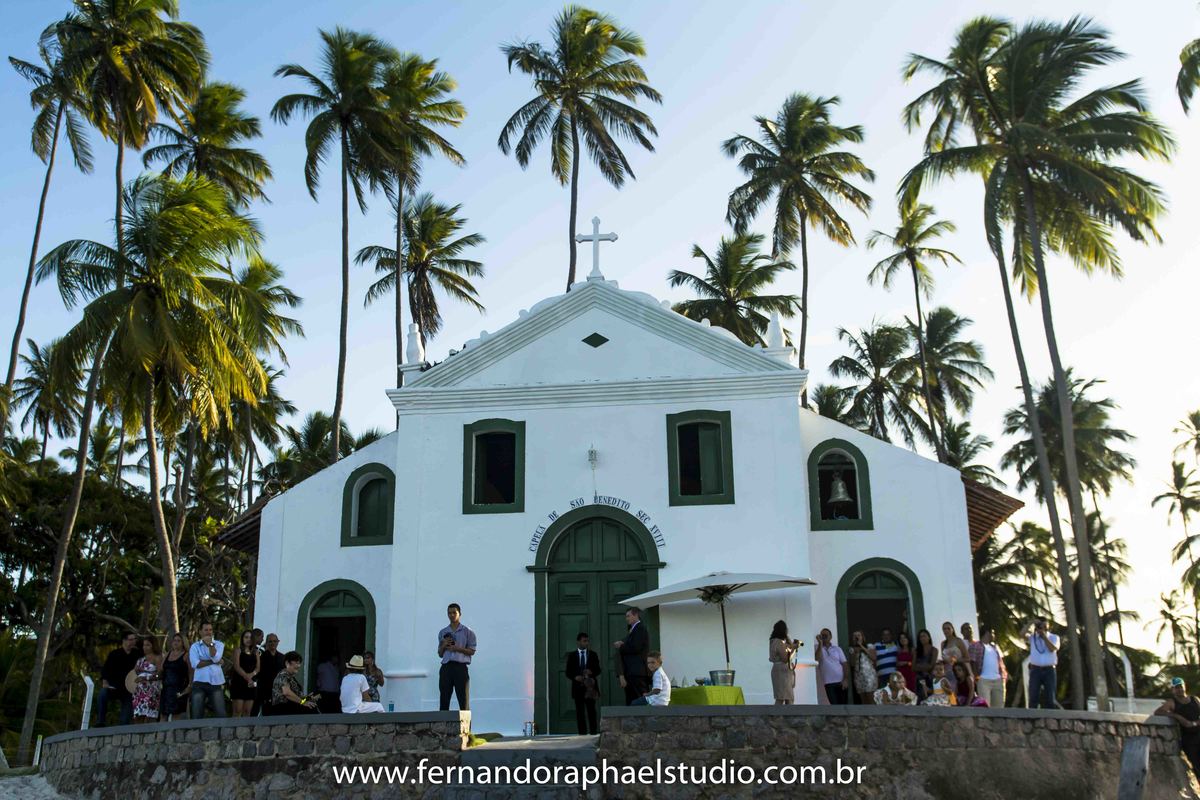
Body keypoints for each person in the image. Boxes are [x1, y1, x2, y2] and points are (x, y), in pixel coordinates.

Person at [1155, 677, 1200, 780]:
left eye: (1181, 686)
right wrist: (1177, 716)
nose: (1179, 689)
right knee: (1197, 767)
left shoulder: (1195, 699)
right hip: (1189, 740)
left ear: (1184, 686)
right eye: (1177, 687)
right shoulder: (1172, 702)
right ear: (1173, 689)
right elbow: (1158, 712)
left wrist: (1193, 723)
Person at [438, 602, 477, 711]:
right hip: (446, 667)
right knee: (444, 698)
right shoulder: (443, 632)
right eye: (449, 613)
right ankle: (442, 726)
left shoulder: (468, 632)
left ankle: (466, 727)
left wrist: (457, 649)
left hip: (460, 667)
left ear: (459, 614)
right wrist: (444, 646)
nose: (451, 615)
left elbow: (472, 651)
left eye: (454, 613)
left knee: (463, 699)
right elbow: (440, 654)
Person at [97, 631, 140, 727]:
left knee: (124, 721)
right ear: (124, 640)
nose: (133, 641)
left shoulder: (137, 654)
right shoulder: (114, 654)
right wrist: (105, 683)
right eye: (131, 639)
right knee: (102, 694)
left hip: (129, 690)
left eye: (134, 639)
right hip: (114, 687)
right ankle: (101, 721)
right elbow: (105, 671)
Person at [189, 621, 227, 719]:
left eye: (210, 630)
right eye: (206, 630)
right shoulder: (195, 646)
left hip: (216, 682)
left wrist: (210, 644)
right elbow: (195, 664)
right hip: (199, 682)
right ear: (200, 632)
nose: (208, 632)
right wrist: (213, 662)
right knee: (196, 714)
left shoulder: (219, 644)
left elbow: (216, 658)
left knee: (221, 713)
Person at [565, 633, 602, 734]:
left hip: (590, 688)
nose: (586, 643)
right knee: (579, 712)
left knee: (591, 711)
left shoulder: (593, 654)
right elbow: (568, 672)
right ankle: (582, 734)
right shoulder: (572, 656)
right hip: (577, 688)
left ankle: (594, 732)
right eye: (584, 641)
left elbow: (598, 670)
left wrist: (591, 672)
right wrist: (575, 677)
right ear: (578, 642)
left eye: (587, 641)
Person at [614, 607, 650, 704]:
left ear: (636, 615)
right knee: (632, 701)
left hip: (637, 673)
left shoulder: (640, 628)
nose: (627, 618)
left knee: (638, 701)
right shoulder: (634, 630)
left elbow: (635, 647)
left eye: (628, 616)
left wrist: (621, 646)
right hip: (632, 673)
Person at [1024, 617, 1060, 709]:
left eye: (1044, 625)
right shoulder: (1033, 638)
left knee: (1050, 698)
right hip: (1035, 669)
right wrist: (1031, 622)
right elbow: (1021, 634)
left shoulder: (1054, 637)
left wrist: (1044, 637)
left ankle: (1050, 718)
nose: (1042, 627)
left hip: (1049, 670)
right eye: (1040, 625)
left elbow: (1052, 649)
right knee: (1033, 696)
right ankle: (1032, 718)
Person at [267, 651, 318, 715]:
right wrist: (303, 702)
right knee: (311, 708)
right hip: (283, 709)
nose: (299, 666)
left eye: (299, 663)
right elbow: (287, 693)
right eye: (296, 663)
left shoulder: (291, 677)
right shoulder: (283, 675)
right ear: (287, 663)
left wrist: (307, 698)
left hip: (292, 706)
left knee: (314, 704)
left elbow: (297, 698)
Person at [161, 633, 191, 721]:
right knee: (163, 715)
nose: (176, 642)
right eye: (174, 640)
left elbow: (191, 672)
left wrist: (190, 686)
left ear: (183, 643)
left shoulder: (186, 655)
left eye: (178, 641)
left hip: (179, 689)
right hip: (166, 689)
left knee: (176, 715)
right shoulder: (168, 654)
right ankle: (161, 735)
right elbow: (161, 671)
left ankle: (174, 734)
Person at [814, 628, 850, 705]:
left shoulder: (837, 649)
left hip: (841, 682)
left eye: (825, 635)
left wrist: (846, 679)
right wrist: (820, 644)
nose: (823, 637)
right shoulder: (817, 648)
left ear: (830, 637)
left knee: (844, 704)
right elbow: (816, 659)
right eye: (822, 635)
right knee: (834, 705)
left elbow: (845, 664)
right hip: (828, 683)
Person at [230, 630, 260, 718]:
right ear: (242, 639)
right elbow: (237, 666)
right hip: (239, 683)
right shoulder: (238, 650)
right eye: (246, 637)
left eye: (250, 637)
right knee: (238, 710)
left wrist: (252, 675)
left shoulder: (256, 652)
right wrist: (247, 677)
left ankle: (245, 731)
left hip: (251, 684)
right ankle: (234, 730)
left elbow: (258, 668)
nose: (248, 639)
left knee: (247, 711)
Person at [975, 625, 1007, 709]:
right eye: (992, 633)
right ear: (987, 633)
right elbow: (972, 661)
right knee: (985, 707)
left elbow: (1001, 662)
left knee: (999, 707)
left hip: (997, 680)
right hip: (983, 680)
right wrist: (976, 677)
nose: (994, 635)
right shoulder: (976, 646)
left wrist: (1003, 677)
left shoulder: (995, 647)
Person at [132, 635, 163, 723]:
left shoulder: (158, 658)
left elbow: (160, 675)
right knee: (138, 716)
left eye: (147, 645)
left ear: (153, 645)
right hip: (139, 693)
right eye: (144, 645)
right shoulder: (140, 660)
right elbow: (133, 675)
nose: (145, 647)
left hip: (151, 692)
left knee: (149, 716)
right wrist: (136, 671)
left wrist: (147, 677)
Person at [768, 621, 799, 705]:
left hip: (779, 670)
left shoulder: (773, 641)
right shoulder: (778, 642)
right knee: (784, 697)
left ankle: (779, 716)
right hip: (782, 671)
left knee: (783, 696)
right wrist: (794, 648)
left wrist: (790, 643)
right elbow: (785, 659)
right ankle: (781, 715)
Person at [256, 634, 285, 717]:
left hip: (279, 691)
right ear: (267, 643)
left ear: (278, 642)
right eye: (270, 641)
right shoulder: (261, 657)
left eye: (275, 641)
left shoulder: (282, 657)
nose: (272, 643)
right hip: (265, 691)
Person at [939, 621, 970, 691]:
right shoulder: (943, 644)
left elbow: (967, 658)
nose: (946, 630)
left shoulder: (958, 641)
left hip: (958, 671)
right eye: (944, 629)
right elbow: (944, 659)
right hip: (947, 672)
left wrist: (955, 660)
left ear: (952, 629)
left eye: (948, 628)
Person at [849, 630, 877, 705]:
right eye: (854, 636)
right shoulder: (852, 649)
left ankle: (874, 715)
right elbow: (852, 664)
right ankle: (866, 716)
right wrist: (855, 652)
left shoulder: (870, 646)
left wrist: (861, 646)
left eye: (858, 635)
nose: (857, 637)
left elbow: (873, 657)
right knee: (863, 699)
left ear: (863, 637)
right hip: (858, 676)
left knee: (871, 697)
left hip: (869, 675)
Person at [913, 629, 937, 701]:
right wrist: (925, 666)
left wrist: (919, 666)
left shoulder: (934, 650)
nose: (922, 638)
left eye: (924, 636)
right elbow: (913, 668)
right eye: (920, 637)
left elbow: (931, 666)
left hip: (929, 679)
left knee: (931, 699)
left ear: (929, 637)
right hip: (919, 680)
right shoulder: (916, 651)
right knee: (920, 700)